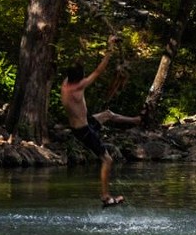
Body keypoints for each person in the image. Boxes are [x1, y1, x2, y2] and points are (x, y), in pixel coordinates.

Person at [60, 36, 141, 206]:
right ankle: (105, 197)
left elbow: (76, 66)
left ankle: (136, 120)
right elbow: (98, 70)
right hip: (83, 131)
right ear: (80, 78)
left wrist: (83, 47)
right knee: (107, 160)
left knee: (108, 114)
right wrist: (110, 47)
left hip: (86, 123)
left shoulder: (66, 83)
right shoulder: (77, 88)